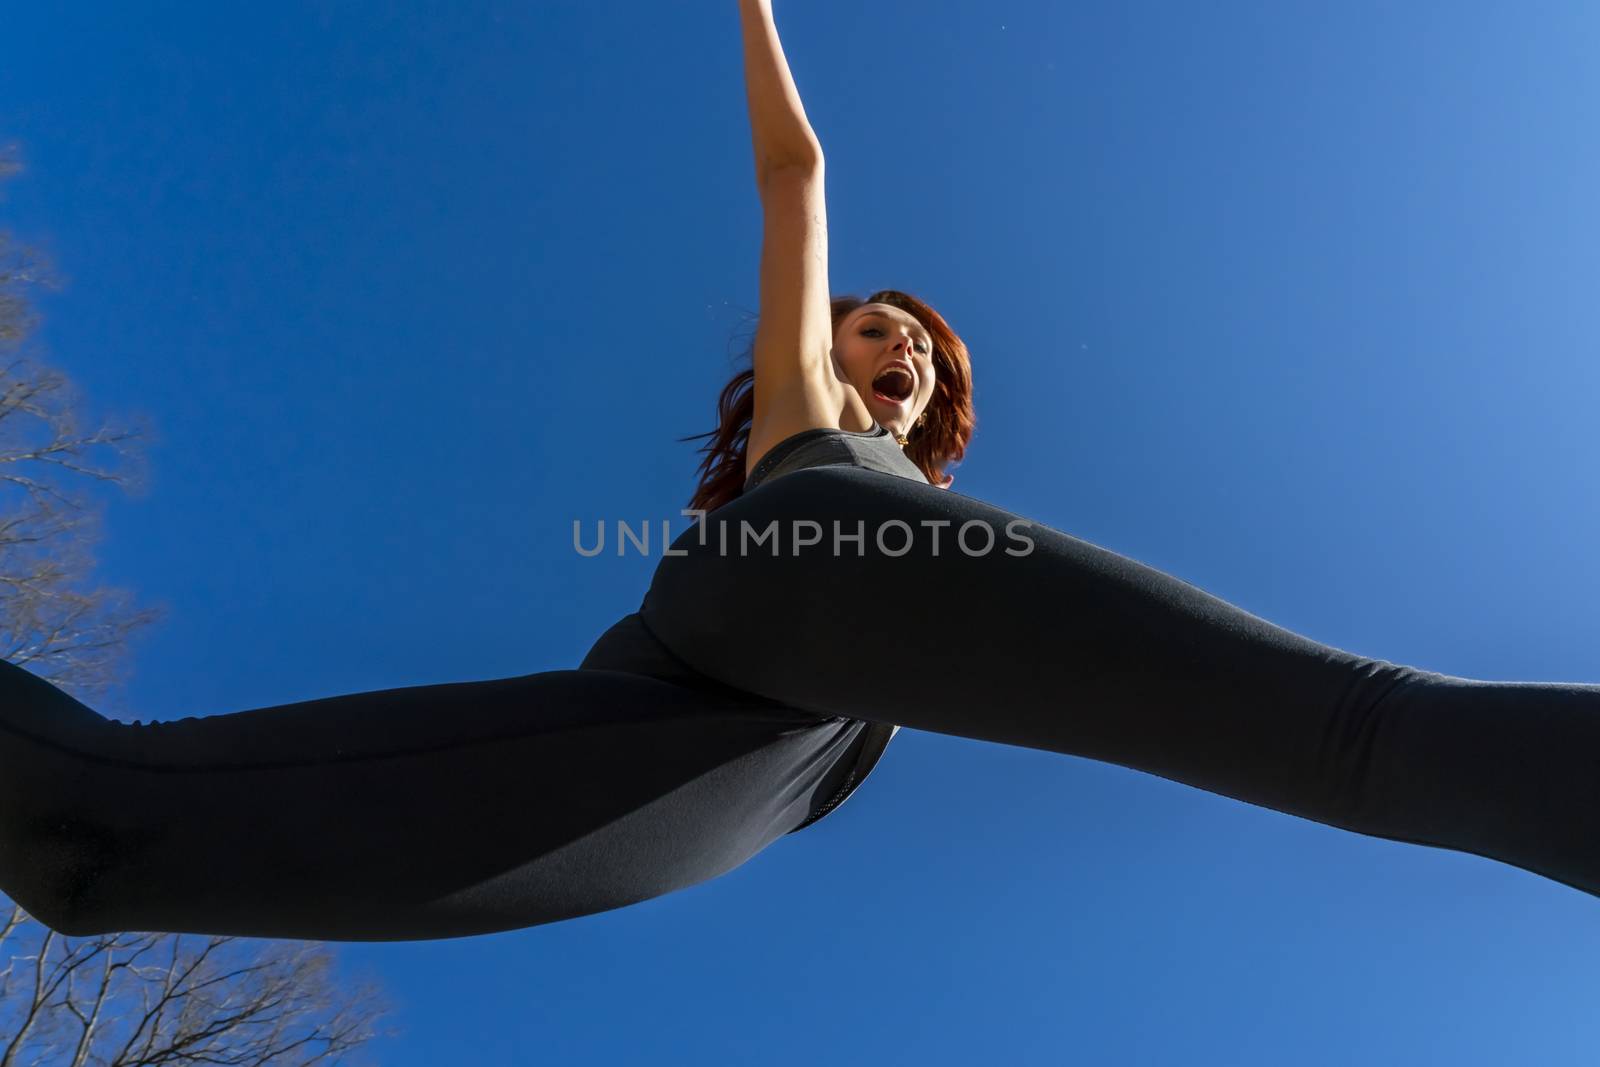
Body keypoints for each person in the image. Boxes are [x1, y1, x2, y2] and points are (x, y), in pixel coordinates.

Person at [6, 2, 1600, 945]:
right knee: (1355, 730)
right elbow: (796, 173)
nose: (890, 344)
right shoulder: (813, 423)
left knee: (106, 841)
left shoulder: (921, 519)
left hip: (756, 730)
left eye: (917, 347)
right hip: (810, 557)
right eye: (870, 328)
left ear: (943, 399)